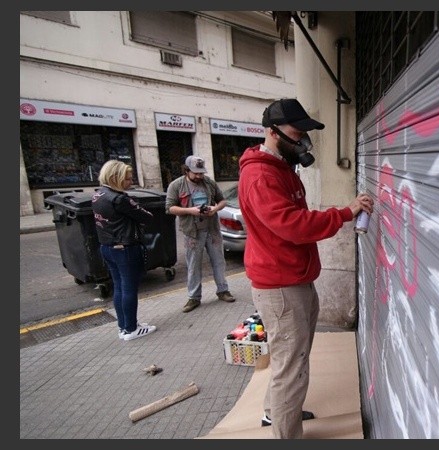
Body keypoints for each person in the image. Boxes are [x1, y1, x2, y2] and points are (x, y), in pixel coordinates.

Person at [238, 98, 374, 439]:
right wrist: (344, 213)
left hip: (293, 279)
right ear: (272, 132)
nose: (302, 140)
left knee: (289, 359)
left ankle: (277, 412)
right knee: (291, 365)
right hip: (281, 286)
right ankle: (287, 434)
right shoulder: (260, 176)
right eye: (296, 133)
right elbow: (293, 225)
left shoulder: (280, 168)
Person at [92, 160, 157, 341]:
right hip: (125, 248)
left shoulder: (98, 195)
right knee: (128, 289)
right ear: (116, 178)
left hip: (107, 247)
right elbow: (146, 217)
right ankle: (131, 329)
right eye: (127, 179)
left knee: (119, 287)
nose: (130, 182)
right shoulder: (119, 199)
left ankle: (124, 327)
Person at [165, 155, 236, 312]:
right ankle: (194, 297)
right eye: (196, 173)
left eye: (201, 173)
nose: (199, 176)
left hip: (212, 229)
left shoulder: (209, 183)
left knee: (219, 261)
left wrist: (215, 209)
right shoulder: (176, 185)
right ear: (186, 171)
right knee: (193, 266)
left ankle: (223, 291)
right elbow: (169, 208)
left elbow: (222, 201)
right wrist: (190, 211)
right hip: (192, 231)